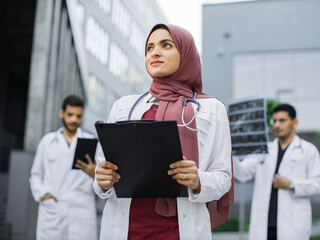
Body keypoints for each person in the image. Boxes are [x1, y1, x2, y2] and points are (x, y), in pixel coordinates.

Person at [93, 23, 234, 239]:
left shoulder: (211, 109)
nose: (155, 52)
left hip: (179, 231)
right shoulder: (123, 106)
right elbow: (104, 167)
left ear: (186, 53)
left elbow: (223, 177)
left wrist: (197, 180)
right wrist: (101, 179)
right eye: (149, 48)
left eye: (166, 45)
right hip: (125, 229)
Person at [233, 104, 320, 240]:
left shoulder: (308, 150)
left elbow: (319, 183)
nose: (276, 125)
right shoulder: (264, 150)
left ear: (295, 122)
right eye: (274, 121)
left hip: (292, 224)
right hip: (264, 225)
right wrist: (231, 153)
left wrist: (291, 185)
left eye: (282, 120)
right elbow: (242, 174)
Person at [29, 95, 97, 240]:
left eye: (78, 116)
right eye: (70, 115)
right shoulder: (47, 142)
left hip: (81, 213)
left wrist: (94, 173)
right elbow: (35, 175)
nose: (74, 120)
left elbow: (102, 179)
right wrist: (43, 194)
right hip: (53, 211)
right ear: (61, 113)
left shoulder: (91, 143)